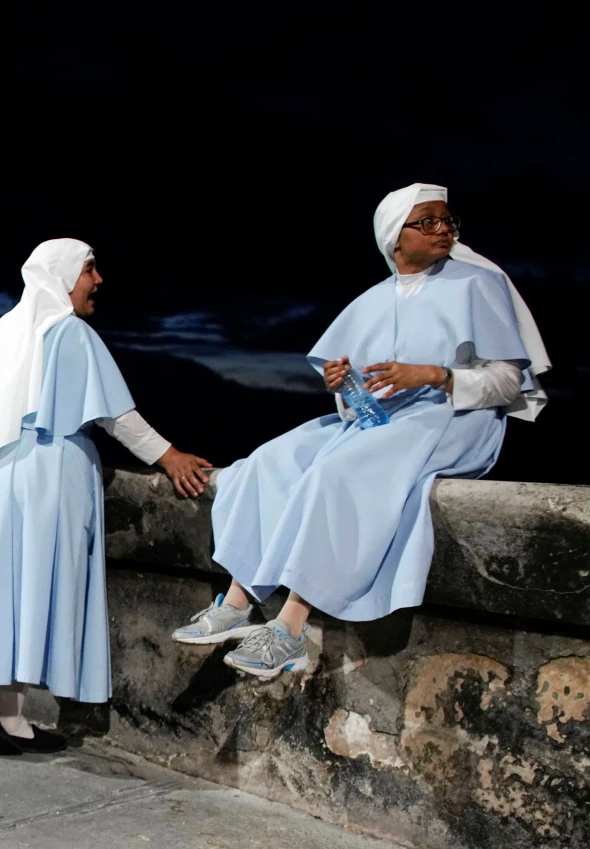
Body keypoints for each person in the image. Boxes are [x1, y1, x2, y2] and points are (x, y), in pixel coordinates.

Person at [172, 182, 551, 679]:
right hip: (384, 424)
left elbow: (507, 383)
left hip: (454, 420)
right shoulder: (372, 300)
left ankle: (289, 629)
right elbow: (362, 403)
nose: (445, 230)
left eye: (448, 221)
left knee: (336, 471)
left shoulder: (476, 284)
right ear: (396, 238)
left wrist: (435, 375)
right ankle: (240, 597)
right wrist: (343, 386)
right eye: (429, 222)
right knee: (269, 461)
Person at [0, 239, 213, 755]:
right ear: (64, 276)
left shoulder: (5, 330)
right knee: (39, 585)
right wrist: (170, 457)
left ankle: (5, 713)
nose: (98, 279)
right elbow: (116, 416)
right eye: (90, 268)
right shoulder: (70, 332)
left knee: (8, 588)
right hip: (50, 471)